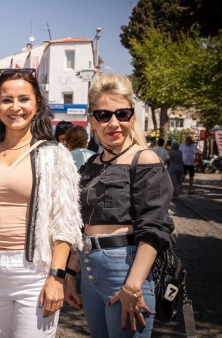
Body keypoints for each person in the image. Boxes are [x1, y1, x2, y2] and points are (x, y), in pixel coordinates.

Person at [0, 68, 83, 337]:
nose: (15, 107)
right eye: (6, 100)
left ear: (37, 105)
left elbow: (65, 222)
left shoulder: (54, 154)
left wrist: (56, 277)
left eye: (24, 99)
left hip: (34, 271)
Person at [64, 73, 175, 337]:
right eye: (103, 115)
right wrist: (70, 275)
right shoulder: (90, 166)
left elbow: (154, 228)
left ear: (131, 116)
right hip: (90, 273)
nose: (114, 123)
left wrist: (133, 286)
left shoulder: (144, 159)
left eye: (122, 114)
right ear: (91, 120)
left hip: (125, 270)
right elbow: (82, 226)